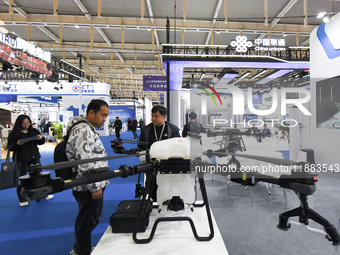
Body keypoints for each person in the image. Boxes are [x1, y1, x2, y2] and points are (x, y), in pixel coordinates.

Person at [65, 99, 110, 255]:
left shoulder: (85, 129)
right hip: (87, 185)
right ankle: (82, 250)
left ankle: (80, 248)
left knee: (89, 217)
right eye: (102, 115)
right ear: (91, 112)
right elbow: (85, 161)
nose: (104, 119)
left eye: (106, 116)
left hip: (87, 183)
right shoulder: (83, 131)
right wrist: (95, 187)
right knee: (87, 219)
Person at [8, 114, 53, 207]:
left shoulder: (34, 131)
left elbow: (42, 142)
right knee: (22, 179)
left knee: (39, 178)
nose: (26, 125)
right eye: (24, 123)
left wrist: (41, 138)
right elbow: (10, 147)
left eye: (28, 123)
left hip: (34, 157)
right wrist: (17, 144)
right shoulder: (14, 134)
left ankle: (41, 195)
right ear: (19, 123)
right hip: (21, 159)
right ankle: (22, 199)